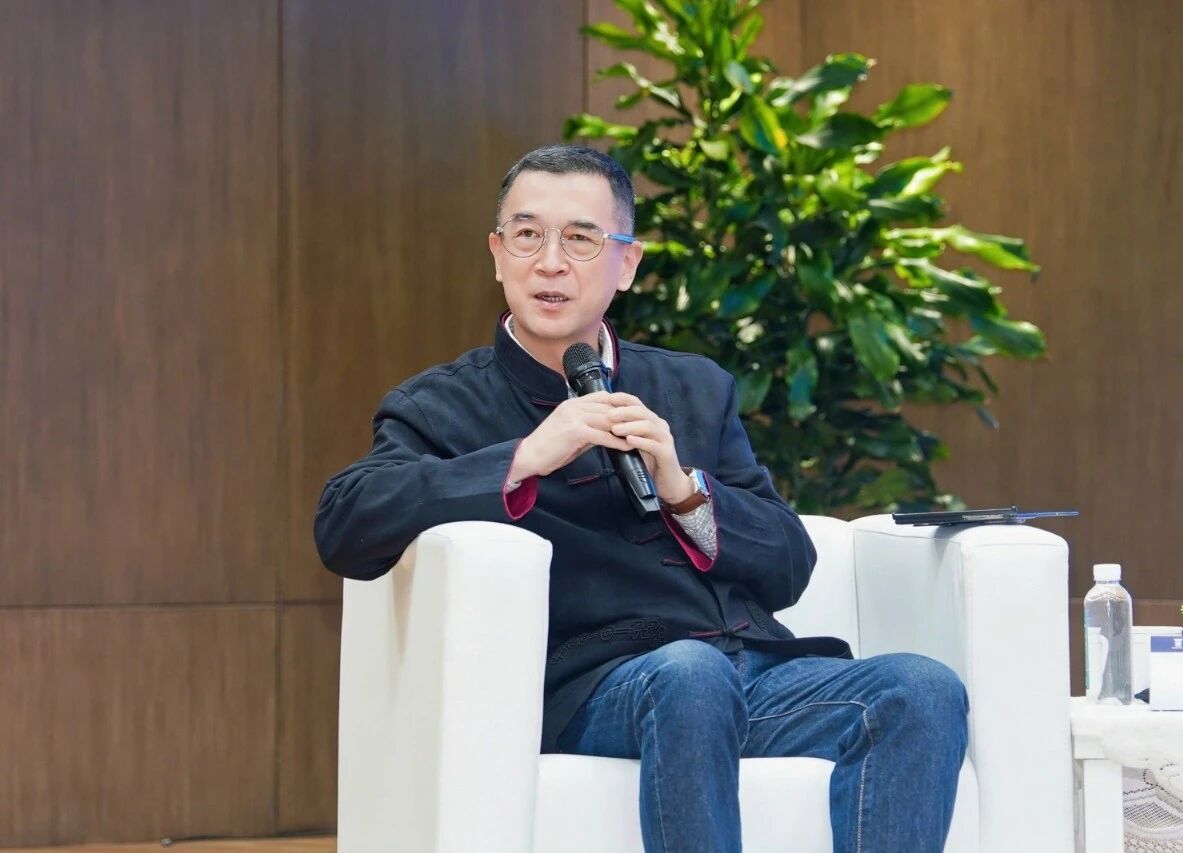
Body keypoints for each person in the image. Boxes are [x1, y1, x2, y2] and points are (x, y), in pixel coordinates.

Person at [314, 144, 968, 852]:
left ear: (627, 264)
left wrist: (684, 490)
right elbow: (345, 521)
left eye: (581, 239)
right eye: (528, 236)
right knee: (691, 675)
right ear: (498, 255)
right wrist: (524, 456)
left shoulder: (695, 387)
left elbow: (788, 565)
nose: (551, 263)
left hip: (750, 672)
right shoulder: (441, 404)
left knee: (921, 688)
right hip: (601, 686)